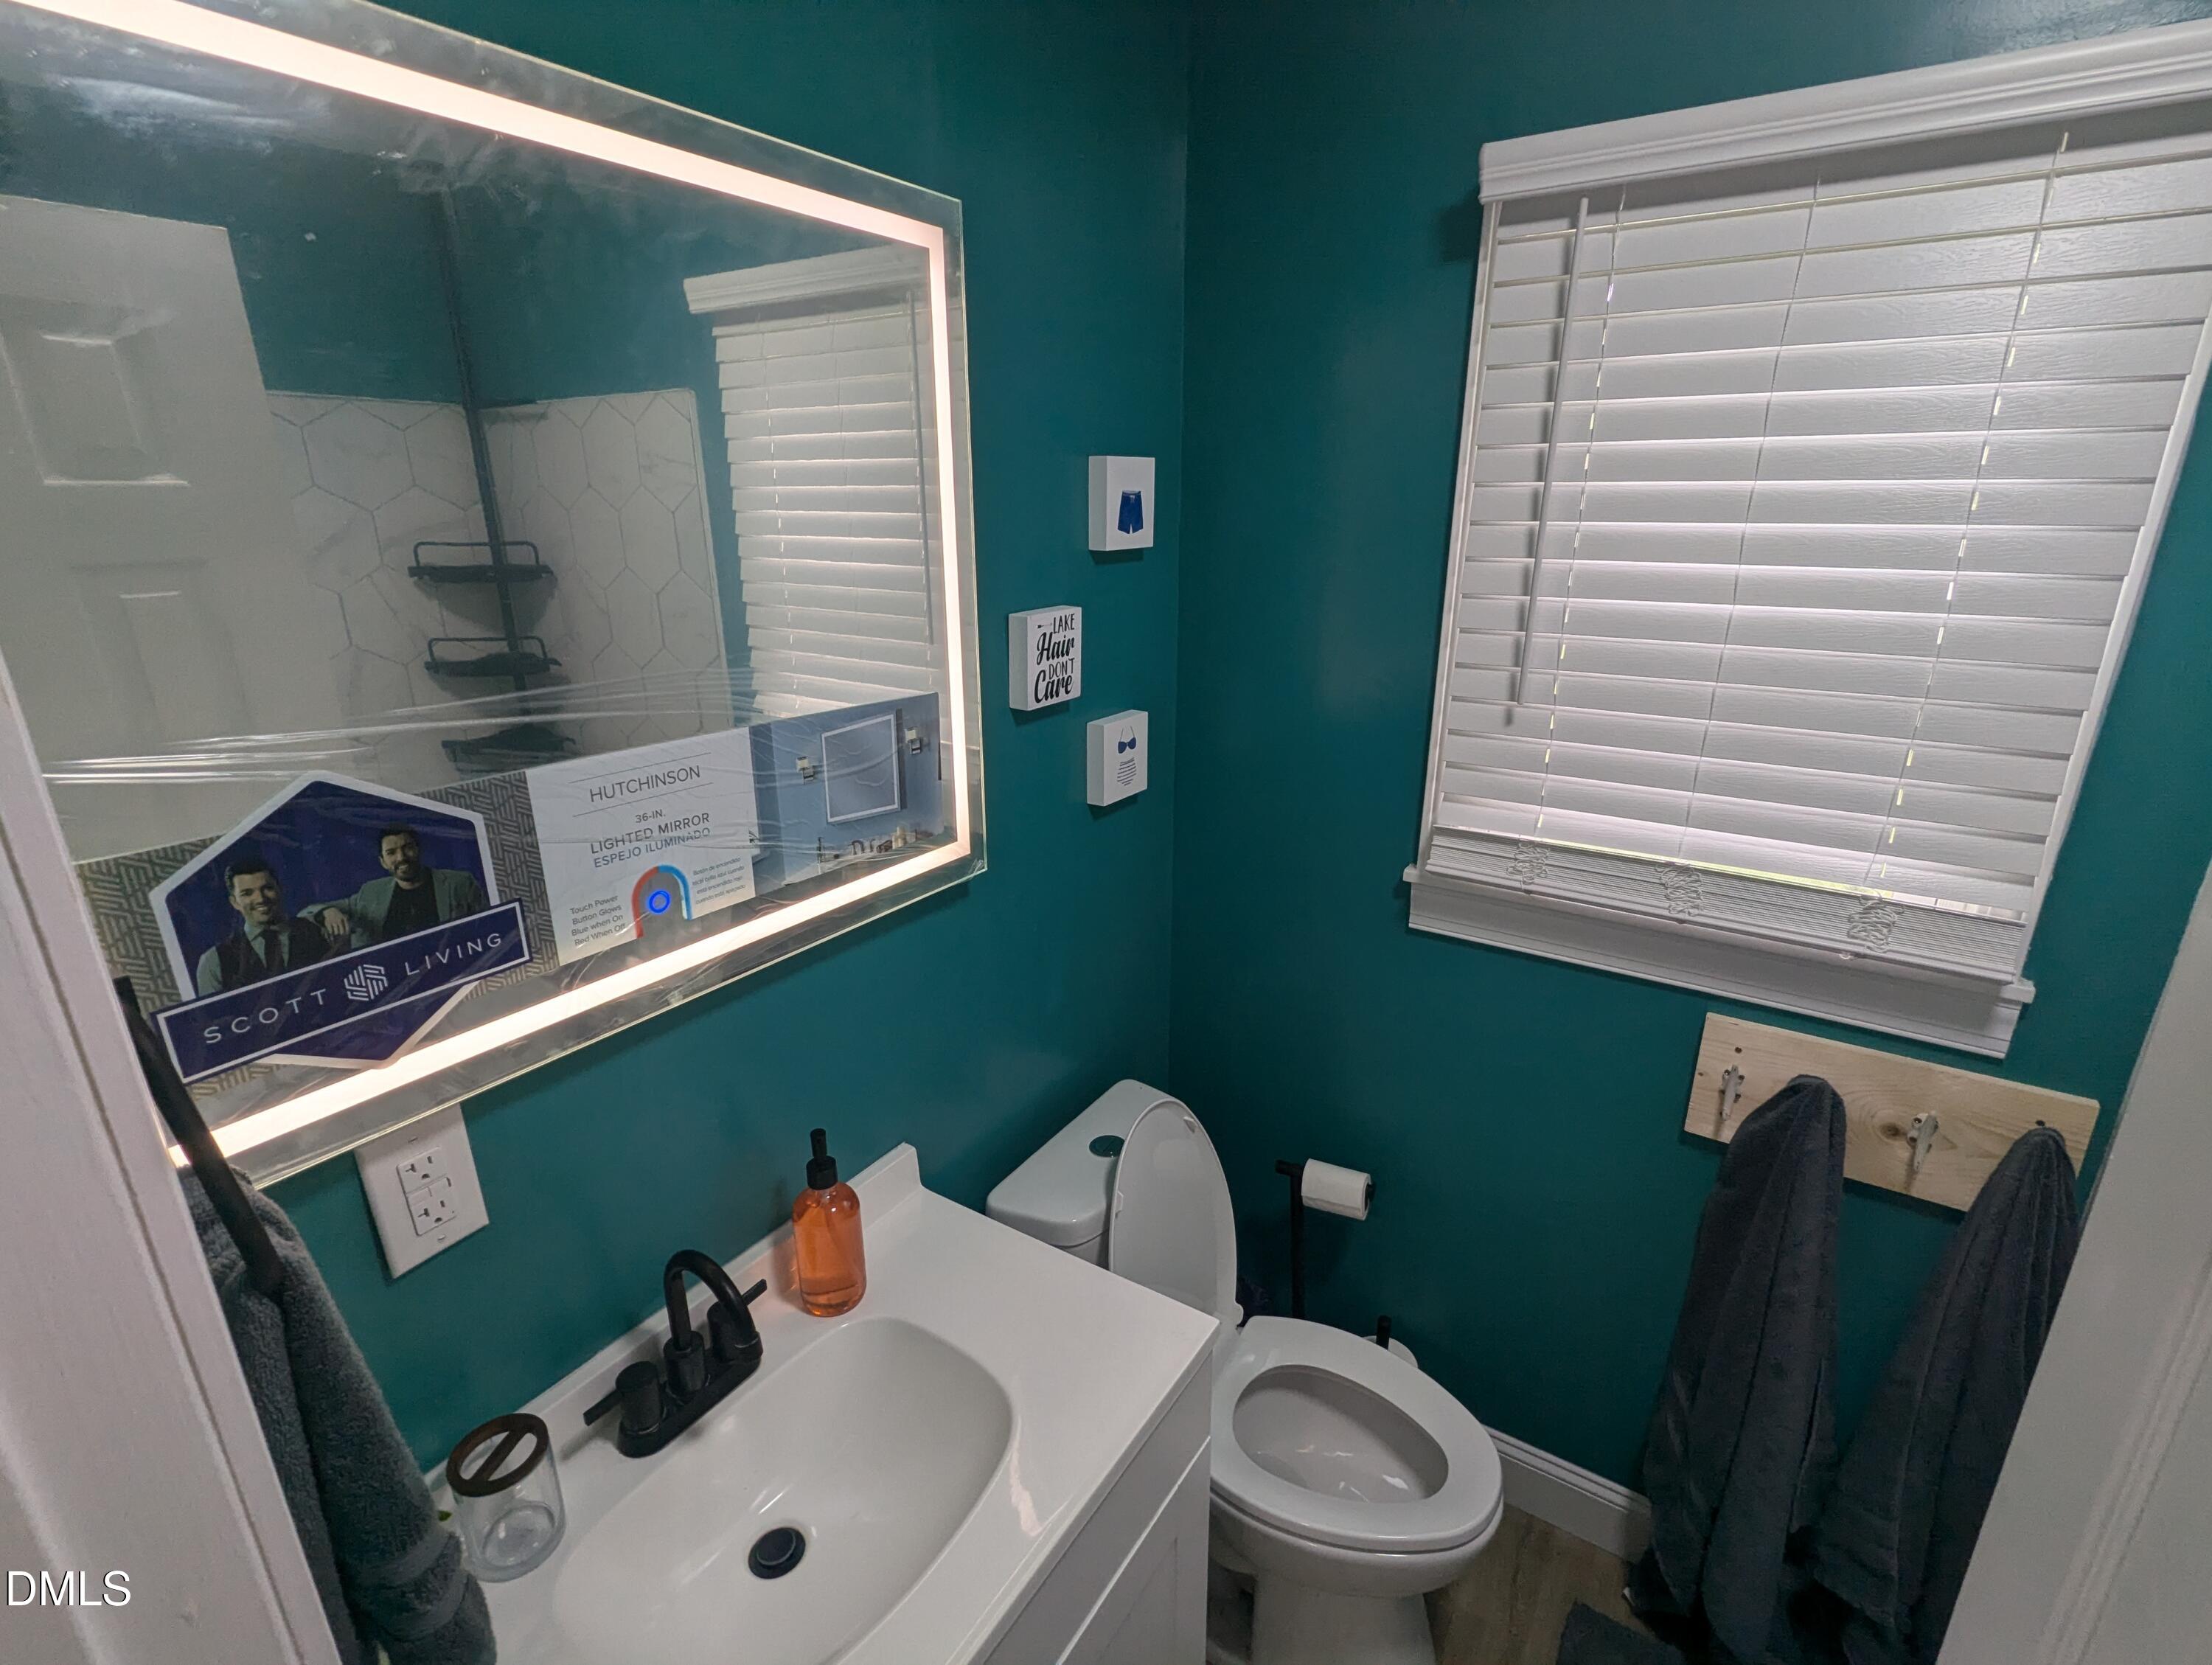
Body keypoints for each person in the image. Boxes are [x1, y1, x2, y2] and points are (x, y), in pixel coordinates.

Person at [314, 824, 487, 947]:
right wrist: (327, 911)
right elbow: (309, 911)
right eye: (391, 853)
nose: (401, 857)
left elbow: (489, 926)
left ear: (418, 850)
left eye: (408, 848)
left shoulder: (460, 883)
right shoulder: (370, 892)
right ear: (383, 862)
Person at [194, 856, 335, 995]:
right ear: (234, 902)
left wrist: (328, 910)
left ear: (280, 889)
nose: (261, 899)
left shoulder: (318, 930)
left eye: (267, 888)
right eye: (247, 893)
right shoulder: (214, 961)